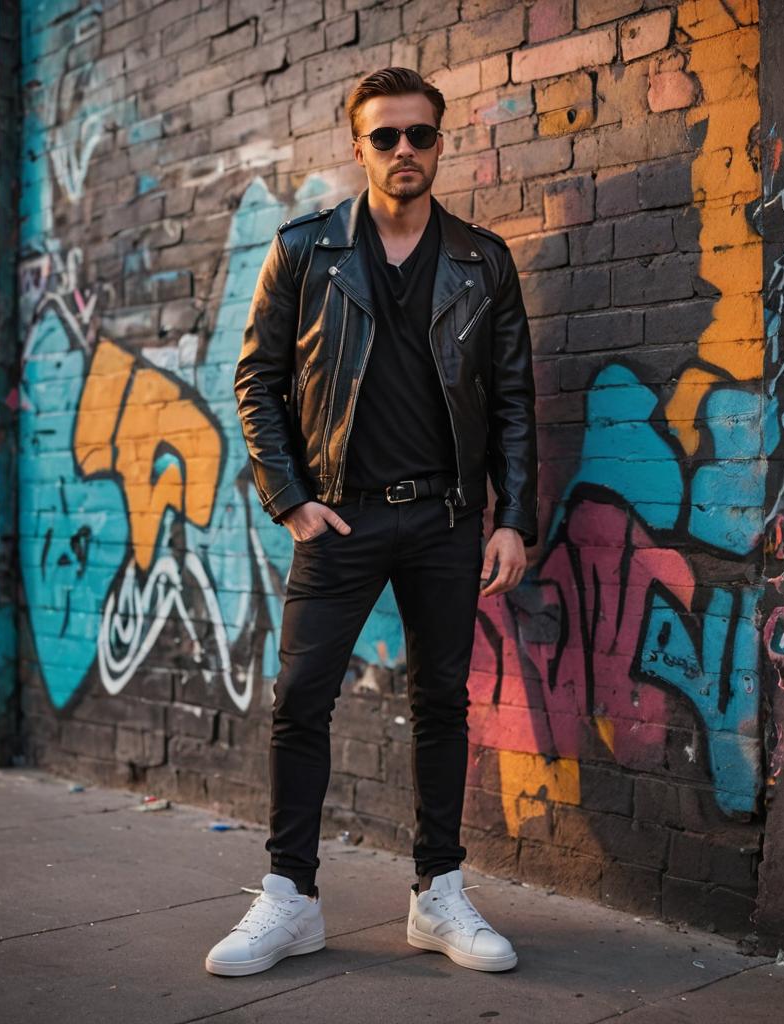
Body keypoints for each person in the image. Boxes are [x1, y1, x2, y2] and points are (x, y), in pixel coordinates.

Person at [207, 66, 537, 977]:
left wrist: (517, 520)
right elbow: (257, 383)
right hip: (339, 521)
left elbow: (513, 398)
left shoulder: (482, 261)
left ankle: (438, 894)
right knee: (301, 700)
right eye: (385, 136)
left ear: (440, 143)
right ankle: (291, 898)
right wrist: (290, 499)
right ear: (358, 147)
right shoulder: (306, 251)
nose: (403, 151)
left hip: (445, 520)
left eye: (419, 135)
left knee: (441, 702)